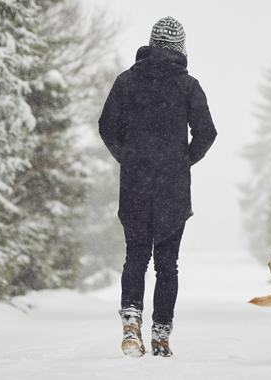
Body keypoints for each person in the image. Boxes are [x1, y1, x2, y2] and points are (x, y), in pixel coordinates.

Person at [98, 16, 217, 357]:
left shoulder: (127, 81)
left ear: (151, 44)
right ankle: (161, 336)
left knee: (135, 255)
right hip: (173, 189)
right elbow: (207, 133)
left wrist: (129, 158)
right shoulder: (189, 85)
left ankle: (131, 324)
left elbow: (107, 126)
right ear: (180, 49)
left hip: (135, 185)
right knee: (168, 264)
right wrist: (181, 162)